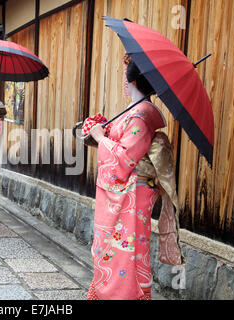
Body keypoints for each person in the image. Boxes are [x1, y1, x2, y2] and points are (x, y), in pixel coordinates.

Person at [85, 55, 184, 300]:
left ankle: (125, 295)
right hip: (129, 190)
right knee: (117, 248)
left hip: (133, 192)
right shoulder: (136, 111)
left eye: (125, 72)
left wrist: (100, 138)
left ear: (133, 79)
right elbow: (121, 147)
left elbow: (125, 159)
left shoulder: (142, 115)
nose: (123, 77)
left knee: (128, 249)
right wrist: (102, 130)